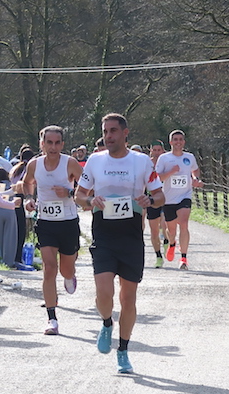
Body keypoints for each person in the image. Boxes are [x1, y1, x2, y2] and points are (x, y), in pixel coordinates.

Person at [75, 113, 165, 373]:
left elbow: (159, 195)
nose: (108, 136)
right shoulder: (95, 161)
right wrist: (90, 201)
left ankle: (123, 350)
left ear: (125, 133)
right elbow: (79, 195)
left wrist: (150, 200)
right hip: (104, 234)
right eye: (105, 131)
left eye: (113, 131)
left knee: (128, 297)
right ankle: (106, 323)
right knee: (104, 293)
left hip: (131, 235)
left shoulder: (141, 162)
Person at [20, 125, 83, 335]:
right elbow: (27, 183)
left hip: (68, 222)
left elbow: (88, 187)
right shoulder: (34, 164)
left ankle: (70, 276)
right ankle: (52, 318)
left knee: (66, 269)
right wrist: (29, 199)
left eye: (57, 143)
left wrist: (69, 192)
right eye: (49, 143)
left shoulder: (70, 163)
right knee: (49, 267)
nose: (53, 147)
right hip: (46, 222)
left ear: (62, 144)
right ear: (42, 144)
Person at [156, 130, 204, 270]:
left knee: (183, 224)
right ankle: (172, 243)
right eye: (175, 139)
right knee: (171, 231)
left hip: (185, 196)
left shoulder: (189, 157)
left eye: (180, 139)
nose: (178, 142)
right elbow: (158, 178)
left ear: (184, 142)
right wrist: (171, 172)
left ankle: (183, 258)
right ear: (170, 142)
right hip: (169, 199)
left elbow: (195, 170)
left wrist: (195, 179)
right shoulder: (164, 158)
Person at [9, 146, 36, 268]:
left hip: (12, 197)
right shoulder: (28, 170)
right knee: (21, 231)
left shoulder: (15, 168)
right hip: (22, 199)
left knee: (14, 231)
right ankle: (18, 257)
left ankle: (13, 256)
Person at [147, 140, 168, 268]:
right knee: (154, 231)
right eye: (154, 150)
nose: (156, 153)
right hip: (152, 198)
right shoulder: (147, 164)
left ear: (163, 151)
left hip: (167, 197)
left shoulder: (168, 162)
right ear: (150, 151)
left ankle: (167, 241)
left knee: (165, 224)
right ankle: (158, 256)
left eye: (159, 150)